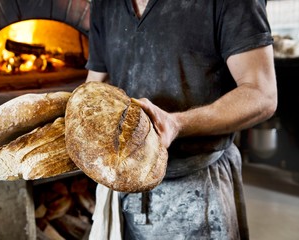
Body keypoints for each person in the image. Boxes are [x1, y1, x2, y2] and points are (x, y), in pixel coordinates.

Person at [85, 0, 277, 239]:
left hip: (198, 186)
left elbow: (262, 94)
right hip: (126, 181)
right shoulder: (104, 5)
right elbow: (96, 83)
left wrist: (177, 123)